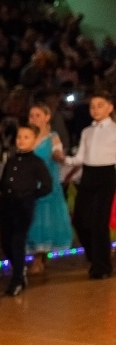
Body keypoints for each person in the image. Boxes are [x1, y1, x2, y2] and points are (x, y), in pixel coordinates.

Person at [53, 92, 116, 280]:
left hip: (107, 175)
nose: (95, 109)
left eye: (100, 105)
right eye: (92, 106)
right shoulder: (87, 131)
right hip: (88, 175)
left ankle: (102, 266)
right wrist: (64, 159)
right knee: (79, 220)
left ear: (110, 107)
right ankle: (94, 256)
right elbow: (80, 158)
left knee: (99, 222)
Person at [0, 124, 52, 295]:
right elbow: (4, 183)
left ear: (35, 140)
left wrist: (30, 195)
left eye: (26, 137)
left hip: (23, 207)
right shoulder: (11, 160)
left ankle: (16, 280)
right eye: (19, 137)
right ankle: (19, 269)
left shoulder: (37, 163)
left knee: (17, 241)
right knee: (5, 242)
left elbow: (47, 186)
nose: (21, 140)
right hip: (7, 205)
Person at [26, 104, 73, 274]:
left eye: (37, 115)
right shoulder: (27, 136)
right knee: (30, 221)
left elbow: (57, 152)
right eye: (31, 115)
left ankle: (39, 258)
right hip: (29, 187)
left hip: (47, 186)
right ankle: (36, 256)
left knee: (43, 221)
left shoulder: (53, 137)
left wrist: (61, 157)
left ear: (47, 117)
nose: (33, 119)